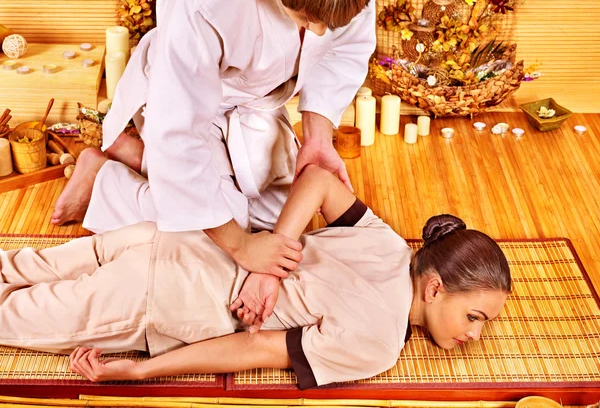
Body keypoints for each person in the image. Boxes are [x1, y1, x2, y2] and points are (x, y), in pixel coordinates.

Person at [0, 165, 511, 388]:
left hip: (171, 237)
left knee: (19, 264)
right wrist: (138, 372)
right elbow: (253, 349)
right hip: (153, 298)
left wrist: (273, 255)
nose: (474, 334)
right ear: (435, 286)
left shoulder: (386, 240)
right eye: (475, 316)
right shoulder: (379, 343)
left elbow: (317, 180)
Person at [50, 0, 384, 277]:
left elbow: (344, 49)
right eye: (306, 18)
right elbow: (179, 134)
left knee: (282, 215)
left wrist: (317, 139)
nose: (321, 32)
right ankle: (103, 184)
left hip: (255, 100)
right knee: (221, 236)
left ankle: (135, 156)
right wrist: (239, 246)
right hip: (185, 98)